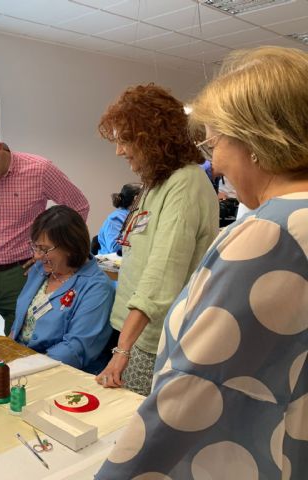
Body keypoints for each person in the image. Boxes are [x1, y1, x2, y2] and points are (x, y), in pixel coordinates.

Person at [96, 46, 308, 480]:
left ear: (254, 136)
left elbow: (196, 388)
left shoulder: (274, 229)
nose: (217, 162)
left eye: (214, 141)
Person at [96, 84, 219, 396]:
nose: (118, 151)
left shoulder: (186, 184)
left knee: (134, 427)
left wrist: (123, 350)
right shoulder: (156, 182)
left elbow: (162, 273)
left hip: (153, 338)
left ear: (152, 139)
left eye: (125, 140)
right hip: (134, 331)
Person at [0, 118, 90, 336]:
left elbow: (79, 206)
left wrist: (49, 252)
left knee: (20, 348)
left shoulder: (39, 170)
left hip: (23, 274)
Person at [10, 206, 114, 374]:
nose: (36, 256)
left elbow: (76, 348)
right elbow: (20, 324)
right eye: (35, 247)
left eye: (44, 249)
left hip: (62, 372)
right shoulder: (40, 270)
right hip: (23, 363)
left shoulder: (97, 288)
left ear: (70, 246)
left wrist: (28, 367)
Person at [96, 183, 142, 255]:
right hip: (109, 263)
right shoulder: (115, 219)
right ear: (136, 199)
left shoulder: (135, 215)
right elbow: (114, 248)